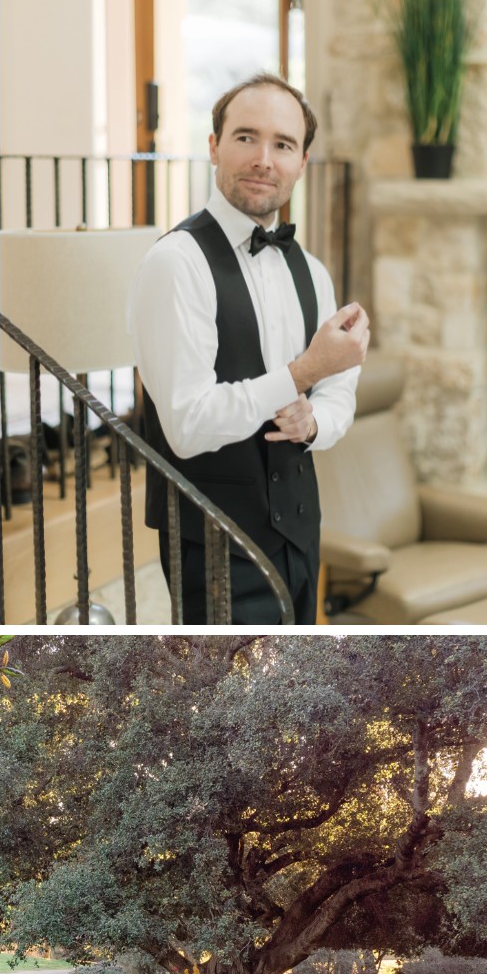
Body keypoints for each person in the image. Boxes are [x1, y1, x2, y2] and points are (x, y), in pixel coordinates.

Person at [127, 71, 370, 624]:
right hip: (213, 543)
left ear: (302, 162)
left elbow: (339, 394)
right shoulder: (176, 264)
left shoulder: (312, 272)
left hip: (303, 532)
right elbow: (186, 426)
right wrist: (304, 369)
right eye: (245, 137)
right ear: (214, 147)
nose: (264, 158)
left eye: (282, 144)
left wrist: (314, 424)